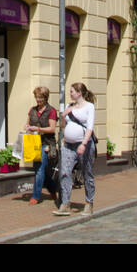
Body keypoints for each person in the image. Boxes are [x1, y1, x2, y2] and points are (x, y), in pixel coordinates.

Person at [53, 82, 96, 217]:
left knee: (87, 173)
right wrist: (63, 116)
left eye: (72, 91)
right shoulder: (69, 106)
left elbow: (90, 127)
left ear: (79, 93)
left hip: (84, 144)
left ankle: (89, 203)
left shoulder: (89, 107)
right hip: (68, 145)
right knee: (65, 173)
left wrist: (83, 144)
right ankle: (65, 203)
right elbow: (64, 126)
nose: (70, 94)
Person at [25, 86, 59, 205]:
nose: (38, 100)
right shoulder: (32, 110)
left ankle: (36, 196)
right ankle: (53, 189)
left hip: (46, 143)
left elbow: (52, 128)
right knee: (41, 169)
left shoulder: (51, 111)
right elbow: (27, 124)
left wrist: (38, 128)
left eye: (40, 98)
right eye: (37, 97)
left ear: (45, 98)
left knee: (40, 169)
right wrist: (27, 128)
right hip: (34, 143)